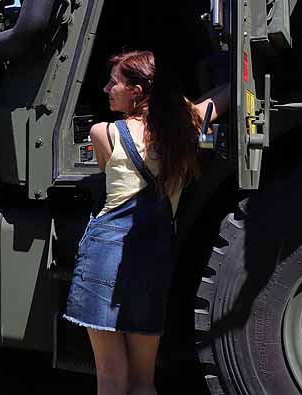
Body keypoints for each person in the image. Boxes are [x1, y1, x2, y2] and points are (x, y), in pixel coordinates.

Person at [64, 50, 228, 395]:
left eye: (115, 82)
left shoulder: (104, 133)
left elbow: (107, 176)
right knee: (143, 380)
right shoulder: (186, 130)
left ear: (136, 91)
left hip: (107, 257)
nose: (107, 88)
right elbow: (222, 98)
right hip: (154, 257)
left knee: (111, 378)